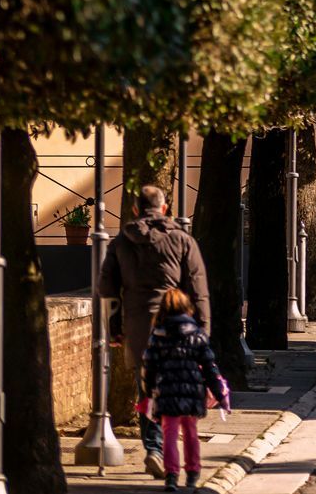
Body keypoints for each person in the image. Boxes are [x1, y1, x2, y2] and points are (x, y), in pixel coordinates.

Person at [99, 184, 210, 477]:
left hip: (137, 325)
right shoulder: (182, 240)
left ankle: (154, 448)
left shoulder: (122, 241)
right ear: (164, 208)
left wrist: (113, 329)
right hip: (177, 326)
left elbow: (107, 288)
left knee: (146, 388)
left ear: (135, 210)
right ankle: (166, 448)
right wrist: (203, 333)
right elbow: (199, 292)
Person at [138, 287, 229, 489]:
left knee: (169, 433)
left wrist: (149, 391)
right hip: (192, 392)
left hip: (167, 392)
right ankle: (193, 472)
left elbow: (149, 365)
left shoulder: (158, 334)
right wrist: (219, 394)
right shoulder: (197, 334)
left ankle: (171, 475)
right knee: (190, 433)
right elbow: (209, 366)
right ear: (186, 308)